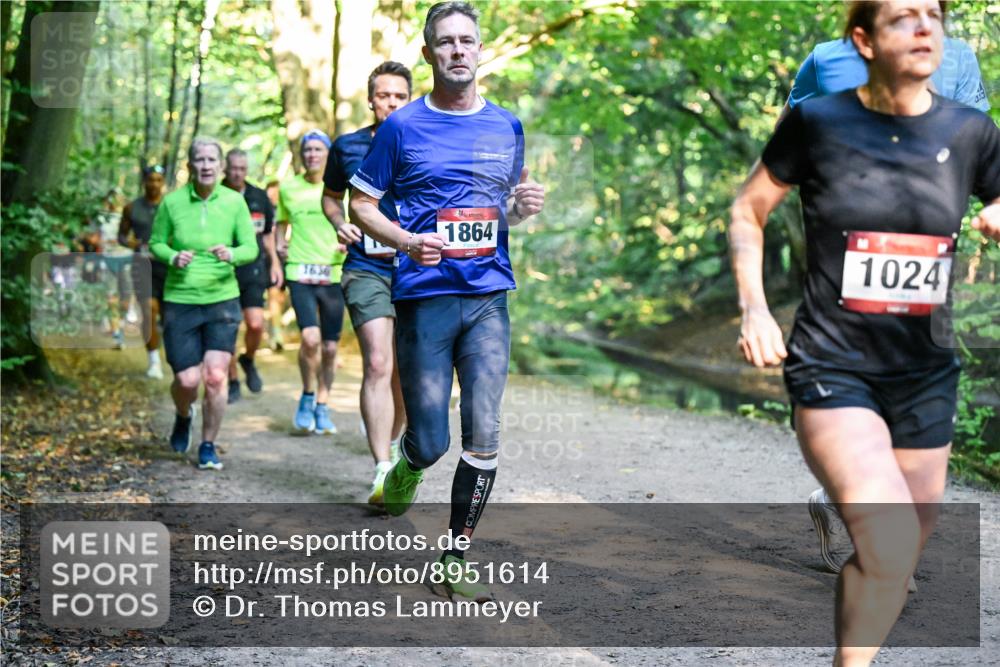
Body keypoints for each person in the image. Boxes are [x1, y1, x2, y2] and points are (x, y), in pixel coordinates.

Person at [728, 1, 1000, 664]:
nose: (924, 26)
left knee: (897, 558)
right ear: (863, 40)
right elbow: (748, 211)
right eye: (903, 16)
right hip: (832, 362)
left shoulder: (971, 131)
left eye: (933, 14)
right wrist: (755, 309)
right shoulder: (819, 121)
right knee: (889, 542)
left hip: (926, 370)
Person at [349, 1, 545, 602]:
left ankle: (454, 556)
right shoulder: (402, 127)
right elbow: (362, 204)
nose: (458, 50)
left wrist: (520, 209)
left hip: (488, 297)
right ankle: (407, 462)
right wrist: (408, 240)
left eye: (467, 40)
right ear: (429, 53)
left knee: (484, 432)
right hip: (424, 300)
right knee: (431, 442)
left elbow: (501, 210)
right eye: (446, 41)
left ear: (480, 49)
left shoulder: (507, 126)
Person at [784, 9, 990, 577]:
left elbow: (976, 146)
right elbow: (792, 141)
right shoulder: (826, 60)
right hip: (845, 254)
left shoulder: (959, 60)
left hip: (925, 257)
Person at [322, 61, 412, 505]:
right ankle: (381, 467)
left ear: (410, 100)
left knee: (404, 371)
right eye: (384, 96)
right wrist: (339, 222)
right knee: (378, 361)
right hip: (365, 267)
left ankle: (393, 445)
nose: (391, 103)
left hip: (415, 268)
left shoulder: (426, 141)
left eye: (400, 96)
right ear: (371, 100)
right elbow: (330, 197)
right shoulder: (348, 146)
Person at [150, 138, 258, 470]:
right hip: (180, 299)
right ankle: (184, 415)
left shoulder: (234, 202)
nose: (206, 165)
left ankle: (208, 444)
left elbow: (251, 248)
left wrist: (232, 254)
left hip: (222, 300)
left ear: (221, 166)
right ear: (190, 165)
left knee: (214, 377)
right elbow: (155, 243)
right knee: (186, 381)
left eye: (212, 160)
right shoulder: (172, 203)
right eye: (200, 159)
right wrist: (172, 256)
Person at [279, 130, 347, 434]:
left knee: (330, 348)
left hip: (333, 273)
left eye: (319, 150)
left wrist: (348, 243)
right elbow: (280, 225)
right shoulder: (288, 187)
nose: (312, 155)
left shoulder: (342, 188)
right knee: (310, 339)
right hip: (300, 271)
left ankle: (323, 403)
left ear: (328, 155)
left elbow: (357, 222)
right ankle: (307, 395)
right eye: (308, 150)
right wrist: (279, 247)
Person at [222, 148, 281, 403]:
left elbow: (268, 234)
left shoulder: (258, 196)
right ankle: (232, 379)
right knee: (228, 327)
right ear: (225, 169)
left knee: (256, 324)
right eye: (233, 168)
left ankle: (248, 359)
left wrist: (275, 263)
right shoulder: (216, 194)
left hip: (254, 269)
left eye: (242, 169)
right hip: (223, 271)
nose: (237, 173)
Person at [119, 165, 168, 379]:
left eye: (158, 180)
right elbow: (122, 236)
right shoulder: (132, 208)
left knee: (170, 315)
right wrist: (132, 243)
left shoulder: (171, 206)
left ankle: (170, 349)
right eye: (151, 179)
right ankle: (154, 361)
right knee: (149, 310)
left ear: (163, 182)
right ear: (144, 182)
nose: (154, 184)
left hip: (168, 267)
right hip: (142, 266)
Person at [265, 179, 288, 351]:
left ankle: (276, 327)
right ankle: (276, 334)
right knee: (273, 295)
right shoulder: (266, 211)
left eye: (276, 192)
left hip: (289, 258)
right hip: (268, 259)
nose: (274, 195)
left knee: (280, 299)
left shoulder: (288, 209)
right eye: (271, 192)